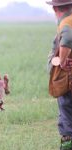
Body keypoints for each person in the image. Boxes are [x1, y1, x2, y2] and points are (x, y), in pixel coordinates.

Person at [46, 0, 72, 149]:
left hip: (68, 77)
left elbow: (67, 38)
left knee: (66, 118)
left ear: (55, 8)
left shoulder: (66, 23)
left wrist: (62, 61)